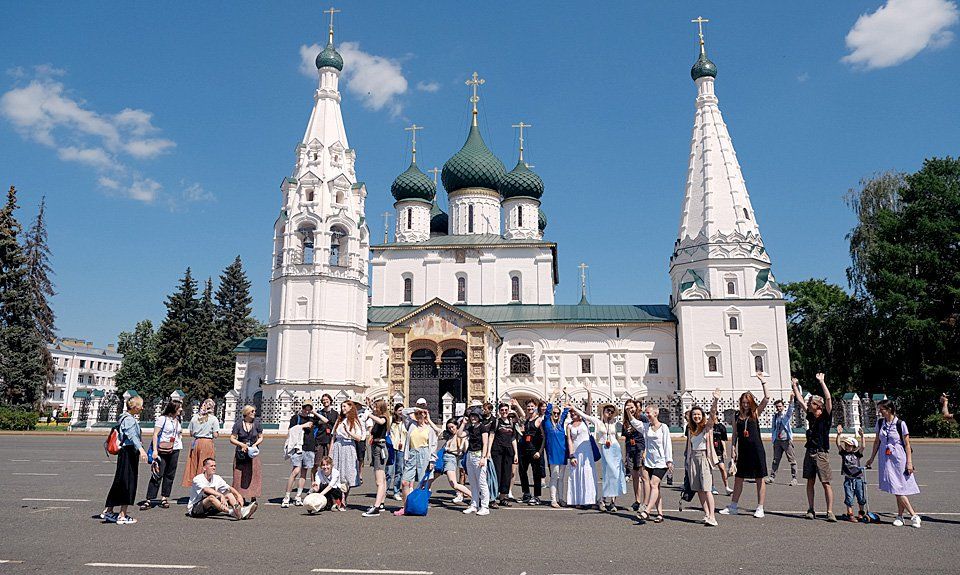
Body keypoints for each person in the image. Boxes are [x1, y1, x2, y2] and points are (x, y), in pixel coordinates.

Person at [721, 372, 770, 518]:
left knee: (759, 478)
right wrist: (733, 449)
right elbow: (735, 434)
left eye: (747, 402)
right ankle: (733, 505)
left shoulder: (755, 413)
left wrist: (763, 381)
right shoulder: (737, 415)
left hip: (756, 449)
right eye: (743, 402)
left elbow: (767, 398)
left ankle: (760, 507)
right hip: (743, 450)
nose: (745, 404)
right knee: (738, 478)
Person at [866, 399, 921, 528]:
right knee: (897, 487)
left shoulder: (900, 424)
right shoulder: (880, 423)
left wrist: (909, 462)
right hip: (885, 459)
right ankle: (900, 516)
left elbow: (907, 444)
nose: (879, 412)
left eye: (882, 409)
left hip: (899, 459)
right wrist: (871, 458)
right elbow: (876, 442)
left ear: (889, 409)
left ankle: (913, 515)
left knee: (898, 488)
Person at [571, 384, 626, 512]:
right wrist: (573, 407)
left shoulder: (614, 423)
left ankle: (612, 502)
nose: (610, 413)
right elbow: (585, 416)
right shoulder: (597, 422)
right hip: (605, 450)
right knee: (608, 474)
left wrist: (621, 455)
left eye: (612, 411)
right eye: (608, 411)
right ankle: (602, 499)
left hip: (615, 449)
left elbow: (616, 439)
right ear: (603, 411)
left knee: (616, 475)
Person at [791, 373, 836, 521]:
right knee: (810, 481)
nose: (809, 403)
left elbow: (828, 398)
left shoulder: (826, 417)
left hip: (821, 453)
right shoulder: (810, 416)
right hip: (809, 452)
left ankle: (830, 511)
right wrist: (794, 385)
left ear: (818, 405)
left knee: (825, 483)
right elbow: (799, 400)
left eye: (811, 402)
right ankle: (811, 509)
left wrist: (822, 382)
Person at [102, 395, 148, 524]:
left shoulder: (125, 418)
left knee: (121, 481)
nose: (142, 408)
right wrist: (141, 450)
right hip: (129, 452)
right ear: (134, 407)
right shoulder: (129, 420)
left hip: (126, 452)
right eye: (140, 406)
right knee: (128, 483)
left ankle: (109, 510)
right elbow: (132, 436)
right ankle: (122, 515)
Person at [685, 389, 723, 526]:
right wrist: (688, 461)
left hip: (704, 457)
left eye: (699, 414)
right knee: (698, 488)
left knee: (707, 488)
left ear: (702, 416)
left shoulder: (707, 427)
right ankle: (706, 513)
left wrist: (715, 400)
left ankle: (713, 516)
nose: (696, 417)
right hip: (693, 458)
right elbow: (689, 447)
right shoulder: (690, 429)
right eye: (694, 415)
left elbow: (712, 415)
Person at [394, 405, 438, 516]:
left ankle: (420, 505)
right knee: (405, 482)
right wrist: (416, 409)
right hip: (412, 454)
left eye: (421, 414)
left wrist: (432, 460)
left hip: (424, 455)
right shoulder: (411, 425)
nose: (419, 416)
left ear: (425, 415)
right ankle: (406, 507)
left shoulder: (430, 429)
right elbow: (403, 412)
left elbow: (433, 445)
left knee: (423, 482)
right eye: (417, 414)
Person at [631, 405, 672, 522]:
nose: (646, 415)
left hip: (661, 461)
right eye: (645, 413)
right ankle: (660, 514)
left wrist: (669, 461)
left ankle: (647, 511)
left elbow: (667, 444)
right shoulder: (646, 427)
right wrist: (628, 412)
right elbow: (634, 422)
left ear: (655, 413)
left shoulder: (663, 427)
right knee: (656, 487)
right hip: (649, 461)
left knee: (653, 484)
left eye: (648, 413)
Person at [139, 399, 183, 510]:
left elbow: (179, 433)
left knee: (170, 475)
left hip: (175, 449)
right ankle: (149, 499)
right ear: (173, 408)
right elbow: (155, 434)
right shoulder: (162, 419)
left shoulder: (178, 419)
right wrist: (155, 450)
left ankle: (164, 497)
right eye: (179, 407)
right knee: (157, 474)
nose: (181, 409)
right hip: (161, 450)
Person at [187, 457, 257, 520]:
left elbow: (229, 488)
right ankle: (232, 512)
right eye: (211, 466)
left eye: (215, 466)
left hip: (210, 508)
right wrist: (220, 495)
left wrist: (238, 495)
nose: (214, 468)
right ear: (204, 468)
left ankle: (241, 511)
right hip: (196, 509)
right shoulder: (198, 479)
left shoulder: (217, 478)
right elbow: (206, 489)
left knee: (229, 494)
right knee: (211, 497)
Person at [330, 400, 366, 510]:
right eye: (342, 407)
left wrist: (349, 432)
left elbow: (359, 438)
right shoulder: (339, 420)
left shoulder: (355, 421)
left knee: (347, 474)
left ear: (351, 407)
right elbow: (333, 436)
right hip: (338, 446)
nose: (343, 408)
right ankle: (337, 500)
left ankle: (344, 499)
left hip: (349, 447)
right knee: (336, 473)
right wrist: (330, 451)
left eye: (345, 406)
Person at [282, 403, 319, 508]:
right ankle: (287, 497)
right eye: (305, 408)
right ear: (302, 408)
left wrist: (313, 413)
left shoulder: (313, 419)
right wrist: (303, 426)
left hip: (310, 447)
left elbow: (326, 421)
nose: (306, 411)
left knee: (304, 473)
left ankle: (298, 496)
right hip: (298, 447)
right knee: (295, 471)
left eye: (309, 409)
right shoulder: (295, 418)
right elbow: (290, 431)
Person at [429, 418, 473, 504]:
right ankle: (422, 496)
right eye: (449, 428)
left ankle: (473, 496)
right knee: (430, 478)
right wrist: (428, 419)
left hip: (450, 458)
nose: (451, 429)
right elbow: (437, 429)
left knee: (453, 483)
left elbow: (462, 449)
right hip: (442, 458)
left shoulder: (460, 435)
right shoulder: (449, 435)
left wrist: (453, 449)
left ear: (457, 426)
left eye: (452, 427)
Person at [458, 407, 491, 516]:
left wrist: (483, 457)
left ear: (479, 417)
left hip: (479, 456)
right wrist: (463, 423)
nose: (473, 417)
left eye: (475, 416)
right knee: (473, 482)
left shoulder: (483, 428)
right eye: (471, 415)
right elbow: (459, 434)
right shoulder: (471, 428)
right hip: (470, 456)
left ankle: (485, 506)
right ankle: (474, 504)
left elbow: (485, 443)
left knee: (481, 482)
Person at [564, 401, 598, 509]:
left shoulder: (585, 421)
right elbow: (569, 440)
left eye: (574, 412)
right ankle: (577, 500)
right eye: (571, 413)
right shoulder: (569, 425)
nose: (573, 414)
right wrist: (571, 455)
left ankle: (590, 500)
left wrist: (589, 392)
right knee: (576, 475)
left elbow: (589, 407)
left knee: (588, 475)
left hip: (587, 452)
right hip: (576, 452)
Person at [180, 398, 220, 489]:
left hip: (196, 442)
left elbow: (190, 433)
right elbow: (215, 434)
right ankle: (204, 487)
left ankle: (194, 485)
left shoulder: (195, 418)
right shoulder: (213, 419)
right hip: (207, 443)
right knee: (206, 465)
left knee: (194, 464)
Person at [362, 398, 390, 517]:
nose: (374, 408)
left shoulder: (384, 418)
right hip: (376, 447)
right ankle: (381, 503)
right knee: (382, 478)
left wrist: (370, 415)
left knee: (379, 480)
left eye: (375, 406)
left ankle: (376, 507)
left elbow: (381, 421)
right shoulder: (377, 419)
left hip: (380, 448)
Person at [230, 404, 264, 503]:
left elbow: (261, 437)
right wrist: (241, 444)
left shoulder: (257, 423)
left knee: (254, 474)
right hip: (241, 453)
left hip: (253, 453)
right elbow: (232, 438)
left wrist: (255, 444)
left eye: (254, 411)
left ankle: (253, 496)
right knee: (239, 474)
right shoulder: (239, 424)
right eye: (252, 411)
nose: (254, 413)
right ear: (247, 413)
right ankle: (241, 496)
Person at [488, 402, 519, 508]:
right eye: (502, 410)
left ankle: (503, 497)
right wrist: (488, 452)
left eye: (506, 410)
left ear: (508, 410)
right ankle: (492, 498)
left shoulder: (512, 423)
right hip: (497, 451)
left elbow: (513, 439)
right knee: (496, 474)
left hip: (508, 452)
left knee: (506, 475)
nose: (504, 412)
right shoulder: (496, 422)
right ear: (499, 411)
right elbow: (491, 436)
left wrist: (516, 454)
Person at [516, 398, 546, 505]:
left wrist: (540, 451)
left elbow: (543, 437)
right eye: (528, 406)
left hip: (534, 450)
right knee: (522, 471)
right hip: (524, 449)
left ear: (535, 407)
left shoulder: (539, 420)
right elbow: (522, 415)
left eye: (532, 406)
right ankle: (526, 494)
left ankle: (537, 496)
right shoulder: (527, 419)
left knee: (536, 473)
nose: (530, 408)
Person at [766, 387, 798, 486]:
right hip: (778, 441)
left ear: (783, 406)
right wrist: (773, 439)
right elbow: (773, 428)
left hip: (786, 440)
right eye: (777, 407)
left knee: (792, 460)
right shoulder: (775, 416)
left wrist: (791, 400)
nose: (779, 408)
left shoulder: (786, 416)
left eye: (780, 406)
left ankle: (794, 478)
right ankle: (772, 477)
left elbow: (790, 410)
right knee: (775, 460)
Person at [543, 390, 569, 508]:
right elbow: (548, 409)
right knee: (554, 476)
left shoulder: (561, 423)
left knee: (562, 478)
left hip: (563, 453)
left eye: (558, 413)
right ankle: (553, 500)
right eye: (554, 413)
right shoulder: (547, 423)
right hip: (553, 454)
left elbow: (566, 409)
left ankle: (561, 498)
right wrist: (553, 395)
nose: (556, 415)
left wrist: (566, 394)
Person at [836, 425, 866, 522]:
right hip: (848, 478)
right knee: (849, 497)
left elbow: (863, 447)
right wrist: (838, 435)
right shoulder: (844, 453)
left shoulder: (857, 454)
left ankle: (861, 513)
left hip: (858, 478)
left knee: (860, 496)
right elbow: (838, 445)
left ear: (853, 447)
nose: (846, 446)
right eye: (846, 445)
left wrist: (862, 436)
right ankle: (850, 514)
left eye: (849, 445)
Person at [622, 399, 647, 511]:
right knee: (635, 476)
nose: (630, 409)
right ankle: (637, 501)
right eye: (627, 407)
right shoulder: (625, 421)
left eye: (631, 407)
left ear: (636, 408)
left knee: (644, 476)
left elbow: (648, 435)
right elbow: (626, 438)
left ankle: (645, 503)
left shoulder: (642, 418)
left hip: (640, 448)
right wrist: (626, 454)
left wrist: (645, 451)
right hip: (630, 450)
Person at [313, 393, 339, 478]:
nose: (325, 401)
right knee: (317, 463)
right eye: (323, 400)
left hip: (330, 440)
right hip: (320, 439)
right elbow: (315, 423)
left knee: (329, 463)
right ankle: (314, 483)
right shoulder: (319, 413)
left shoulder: (335, 413)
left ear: (330, 401)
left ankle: (328, 482)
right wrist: (320, 422)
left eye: (326, 400)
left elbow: (335, 425)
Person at [387, 403, 408, 500]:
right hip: (391, 447)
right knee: (389, 470)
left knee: (399, 470)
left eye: (403, 410)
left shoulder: (406, 422)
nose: (401, 412)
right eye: (399, 410)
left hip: (402, 448)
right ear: (395, 411)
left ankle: (396, 491)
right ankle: (385, 490)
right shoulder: (391, 421)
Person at [711, 417, 732, 496]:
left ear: (716, 416)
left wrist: (725, 451)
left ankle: (727, 487)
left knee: (722, 468)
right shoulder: (709, 426)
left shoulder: (721, 427)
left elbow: (723, 440)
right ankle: (712, 487)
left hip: (718, 451)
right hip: (710, 451)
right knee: (710, 469)